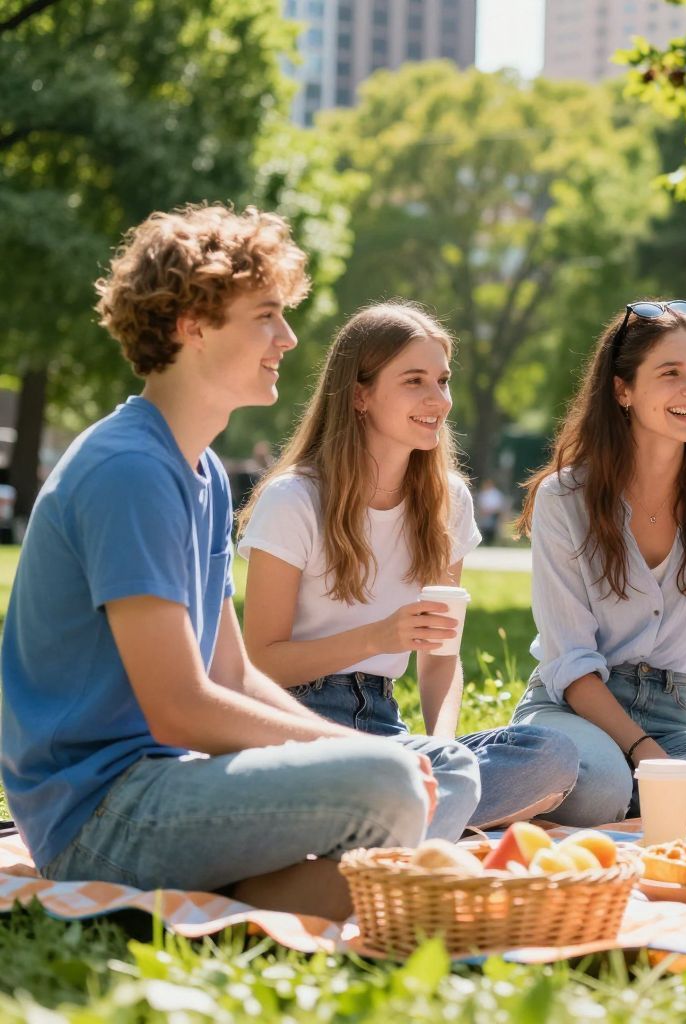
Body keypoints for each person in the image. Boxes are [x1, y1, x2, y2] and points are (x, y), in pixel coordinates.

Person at [0, 206, 477, 919]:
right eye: (266, 316)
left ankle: (317, 896)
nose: (287, 339)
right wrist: (357, 757)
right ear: (194, 324)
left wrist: (354, 752)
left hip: (176, 782)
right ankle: (378, 880)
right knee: (390, 782)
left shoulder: (203, 474)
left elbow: (234, 674)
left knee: (420, 778)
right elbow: (180, 708)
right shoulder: (128, 469)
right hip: (101, 815)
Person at [238, 302, 578, 830]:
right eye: (414, 381)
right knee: (447, 777)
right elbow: (259, 662)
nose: (437, 400)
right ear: (360, 395)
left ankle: (387, 820)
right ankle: (408, 830)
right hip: (297, 725)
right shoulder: (295, 499)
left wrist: (443, 747)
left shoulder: (449, 503)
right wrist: (378, 637)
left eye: (442, 381)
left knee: (552, 755)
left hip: (386, 728)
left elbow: (441, 658)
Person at [509, 299, 686, 826]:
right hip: (573, 711)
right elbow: (568, 660)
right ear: (623, 390)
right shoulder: (564, 497)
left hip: (671, 715)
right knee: (600, 781)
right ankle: (578, 781)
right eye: (671, 373)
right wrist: (642, 752)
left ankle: (590, 797)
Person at [475, 478, 506, 545]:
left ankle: (491, 540)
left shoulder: (496, 494)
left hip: (494, 514)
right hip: (483, 513)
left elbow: (499, 506)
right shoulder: (482, 494)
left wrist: (490, 511)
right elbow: (479, 504)